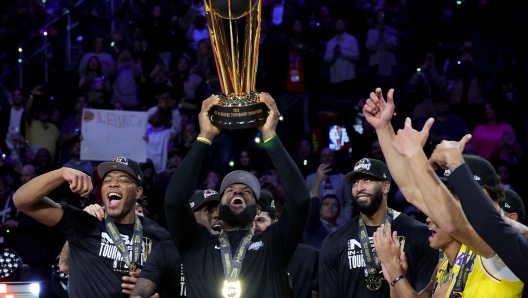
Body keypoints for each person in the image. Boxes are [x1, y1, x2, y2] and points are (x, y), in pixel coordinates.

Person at [364, 87, 527, 288]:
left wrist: (417, 154)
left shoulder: (505, 241)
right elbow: (412, 190)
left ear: (481, 193)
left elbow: (454, 223)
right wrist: (383, 127)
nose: (445, 198)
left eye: (454, 191)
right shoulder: (462, 246)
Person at [164, 93, 311, 297]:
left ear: (258, 209)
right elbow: (173, 202)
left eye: (247, 191)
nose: (238, 190)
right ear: (217, 207)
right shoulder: (196, 242)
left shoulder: (274, 243)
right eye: (230, 190)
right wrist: (205, 136)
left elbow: (300, 199)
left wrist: (270, 135)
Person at [12, 157, 172, 297]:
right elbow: (22, 200)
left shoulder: (159, 236)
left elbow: (178, 284)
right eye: (107, 180)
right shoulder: (85, 222)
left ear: (138, 192)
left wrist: (152, 287)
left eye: (122, 180)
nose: (113, 184)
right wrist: (62, 173)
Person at [319, 157, 438, 297]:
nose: (359, 188)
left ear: (385, 187)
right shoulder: (334, 241)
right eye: (355, 182)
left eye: (367, 180)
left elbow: (425, 293)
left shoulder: (420, 234)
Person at [131, 189, 222, 298]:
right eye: (209, 210)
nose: (217, 215)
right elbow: (140, 292)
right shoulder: (166, 250)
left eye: (221, 211)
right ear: (190, 219)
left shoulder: (232, 254)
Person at [254, 190, 319, 298]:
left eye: (260, 220)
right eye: (249, 222)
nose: (254, 227)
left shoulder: (307, 256)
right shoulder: (239, 259)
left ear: (275, 221)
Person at [306, 148, 353, 226]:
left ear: (334, 159)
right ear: (320, 159)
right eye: (324, 156)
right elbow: (307, 201)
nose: (327, 158)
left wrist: (346, 220)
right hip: (316, 222)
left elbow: (348, 202)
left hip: (339, 222)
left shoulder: (343, 179)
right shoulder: (310, 179)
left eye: (330, 156)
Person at [304, 164, 342, 250]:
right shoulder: (314, 225)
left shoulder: (344, 230)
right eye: (326, 204)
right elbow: (313, 208)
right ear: (319, 209)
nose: (330, 206)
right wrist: (318, 181)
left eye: (335, 205)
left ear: (339, 211)